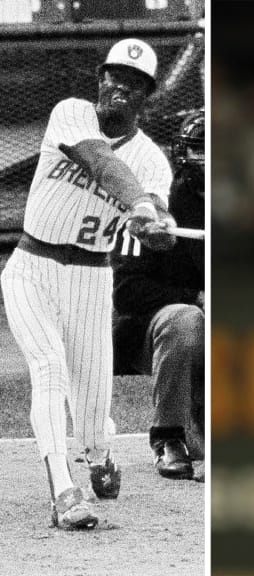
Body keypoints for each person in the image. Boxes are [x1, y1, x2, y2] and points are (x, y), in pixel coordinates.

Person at [0, 38, 175, 530]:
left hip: (93, 282)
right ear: (101, 79)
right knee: (49, 369)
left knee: (94, 416)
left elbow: (159, 221)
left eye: (135, 82)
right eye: (115, 75)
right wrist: (137, 204)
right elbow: (100, 162)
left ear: (147, 95)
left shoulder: (153, 161)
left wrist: (154, 225)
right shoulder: (71, 113)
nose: (121, 86)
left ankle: (98, 455)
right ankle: (63, 492)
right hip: (32, 267)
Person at [111, 110, 205, 483]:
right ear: (183, 153)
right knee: (184, 318)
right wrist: (195, 296)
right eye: (200, 151)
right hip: (159, 335)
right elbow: (126, 291)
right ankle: (170, 438)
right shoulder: (154, 205)